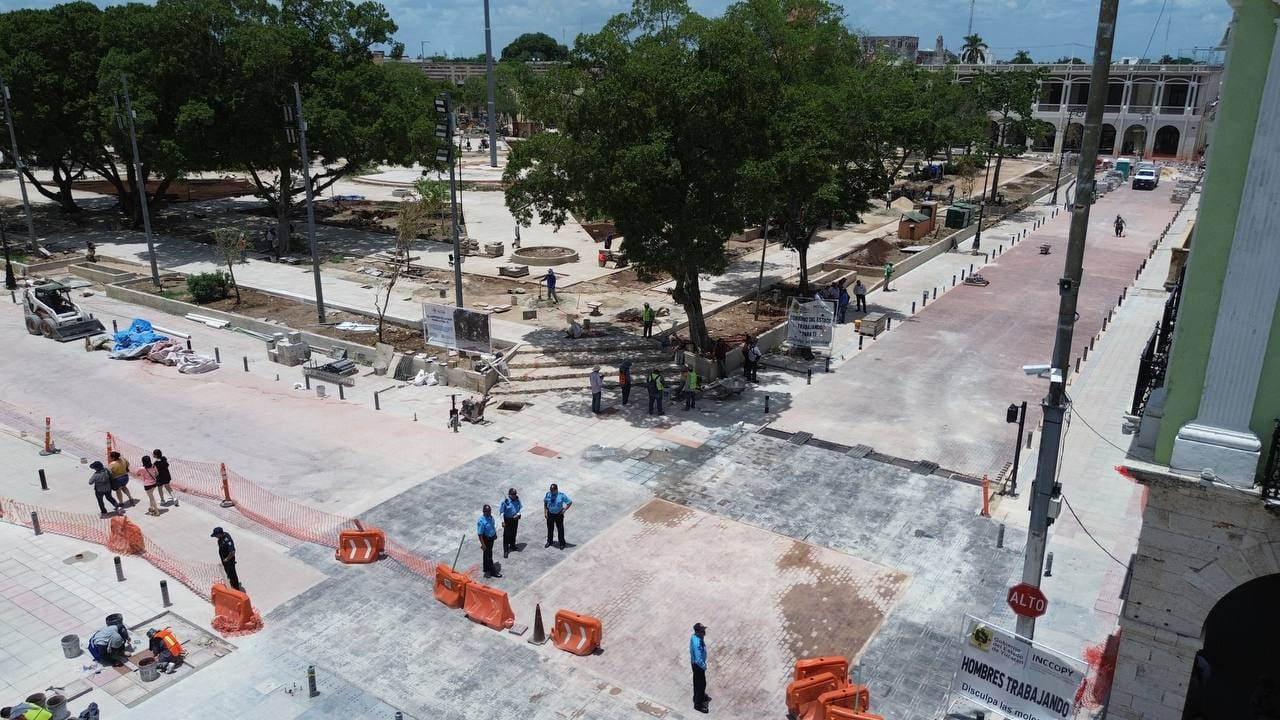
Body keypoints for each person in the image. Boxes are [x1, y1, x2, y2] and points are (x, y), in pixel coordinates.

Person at [544, 483, 572, 549]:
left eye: (553, 490)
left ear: (556, 489)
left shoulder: (561, 495)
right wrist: (545, 512)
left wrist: (564, 510)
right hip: (550, 514)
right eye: (551, 490)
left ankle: (562, 543)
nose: (551, 492)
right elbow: (545, 503)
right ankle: (549, 541)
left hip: (558, 515)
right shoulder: (548, 494)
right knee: (550, 529)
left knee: (560, 529)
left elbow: (569, 502)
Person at [690, 622, 710, 713]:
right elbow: (698, 659)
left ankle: (698, 696)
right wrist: (703, 666)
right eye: (702, 631)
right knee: (701, 684)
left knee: (697, 682)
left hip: (695, 664)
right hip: (698, 666)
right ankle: (698, 704)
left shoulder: (695, 637)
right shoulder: (697, 643)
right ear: (698, 632)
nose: (704, 633)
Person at [477, 505, 500, 578]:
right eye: (487, 511)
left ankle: (486, 568)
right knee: (489, 556)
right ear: (484, 511)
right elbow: (480, 534)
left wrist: (495, 534)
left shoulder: (491, 517)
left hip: (491, 538)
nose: (489, 512)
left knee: (486, 555)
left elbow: (492, 526)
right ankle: (492, 571)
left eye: (490, 510)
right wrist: (483, 545)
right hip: (486, 540)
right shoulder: (481, 521)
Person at [499, 488, 522, 558]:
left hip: (515, 519)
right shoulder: (505, 501)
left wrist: (518, 514)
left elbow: (521, 508)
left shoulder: (517, 500)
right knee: (506, 535)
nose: (514, 495)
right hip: (507, 520)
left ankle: (512, 545)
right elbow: (501, 512)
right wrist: (502, 521)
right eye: (513, 494)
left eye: (515, 494)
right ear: (509, 495)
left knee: (514, 532)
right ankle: (506, 550)